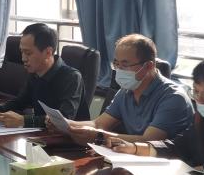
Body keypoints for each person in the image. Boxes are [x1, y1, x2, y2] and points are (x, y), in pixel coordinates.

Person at [57, 33, 193, 144]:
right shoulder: (126, 91)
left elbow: (149, 141)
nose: (119, 70)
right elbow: (98, 124)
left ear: (149, 66)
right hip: (132, 158)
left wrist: (100, 137)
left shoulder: (173, 98)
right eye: (116, 64)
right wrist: (66, 124)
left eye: (125, 65)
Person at [0, 23, 83, 128]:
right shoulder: (35, 72)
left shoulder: (72, 77)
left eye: (28, 53)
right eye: (22, 52)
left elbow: (64, 119)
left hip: (69, 136)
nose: (23, 58)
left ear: (48, 52)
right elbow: (20, 101)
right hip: (41, 134)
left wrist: (24, 121)